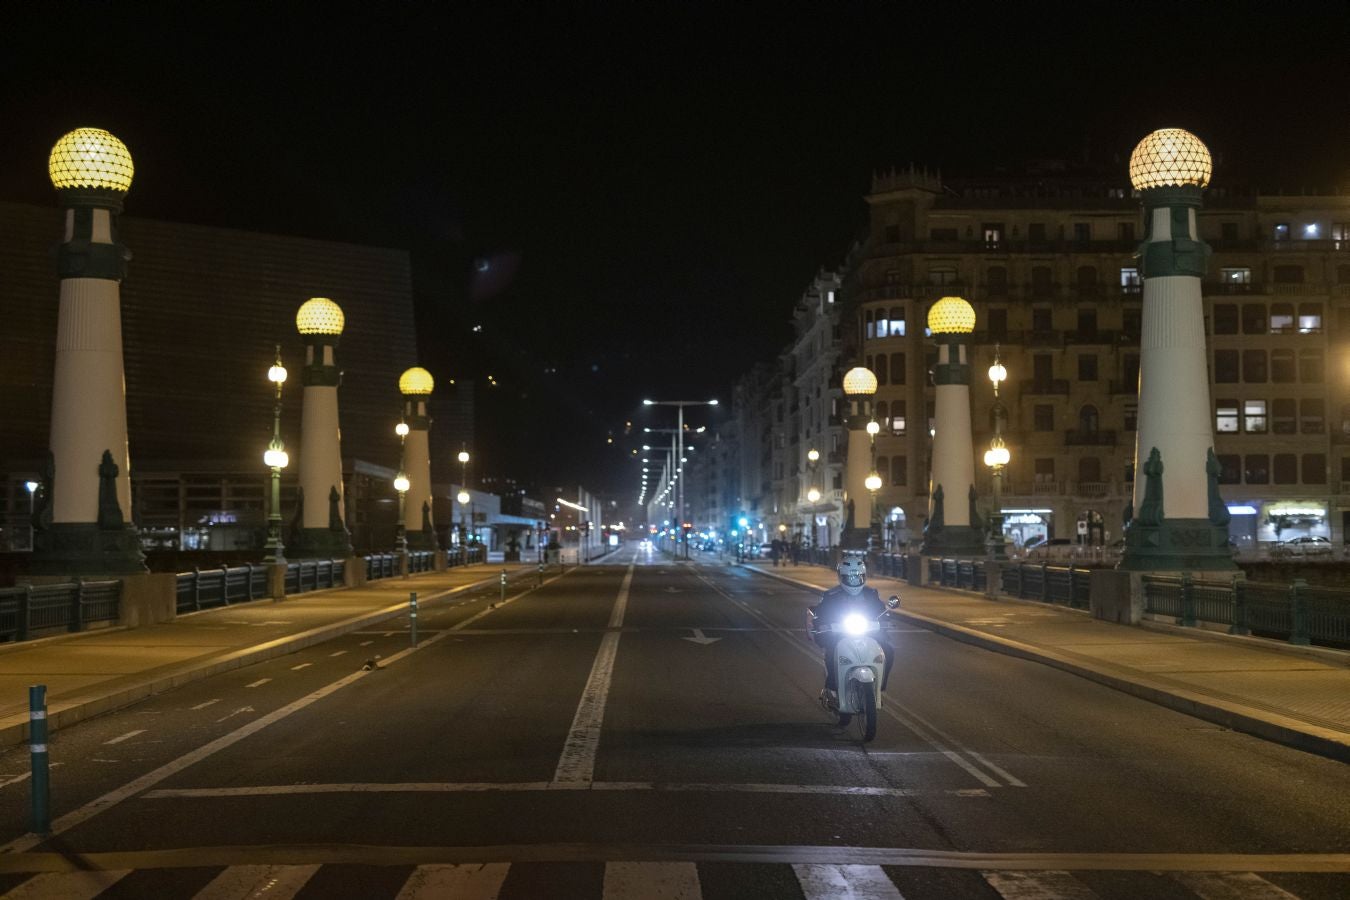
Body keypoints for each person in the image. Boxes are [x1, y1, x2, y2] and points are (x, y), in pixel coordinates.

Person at [809, 554, 895, 703]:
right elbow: (820, 614)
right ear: (841, 577)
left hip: (868, 631)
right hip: (839, 633)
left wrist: (886, 618)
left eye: (858, 577)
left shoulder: (871, 594)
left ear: (864, 576)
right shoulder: (830, 595)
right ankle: (832, 687)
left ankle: (881, 686)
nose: (854, 580)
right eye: (850, 578)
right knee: (832, 653)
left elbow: (881, 610)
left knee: (888, 650)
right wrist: (821, 623)